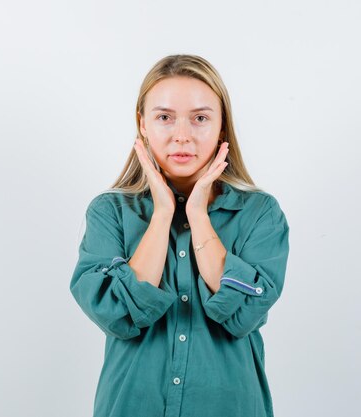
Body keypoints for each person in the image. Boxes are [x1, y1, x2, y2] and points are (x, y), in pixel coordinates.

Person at [69, 54, 290, 417]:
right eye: (164, 117)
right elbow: (115, 313)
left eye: (200, 118)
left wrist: (198, 215)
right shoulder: (109, 212)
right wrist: (162, 214)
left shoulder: (259, 213)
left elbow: (245, 314)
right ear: (142, 125)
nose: (182, 135)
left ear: (222, 127)